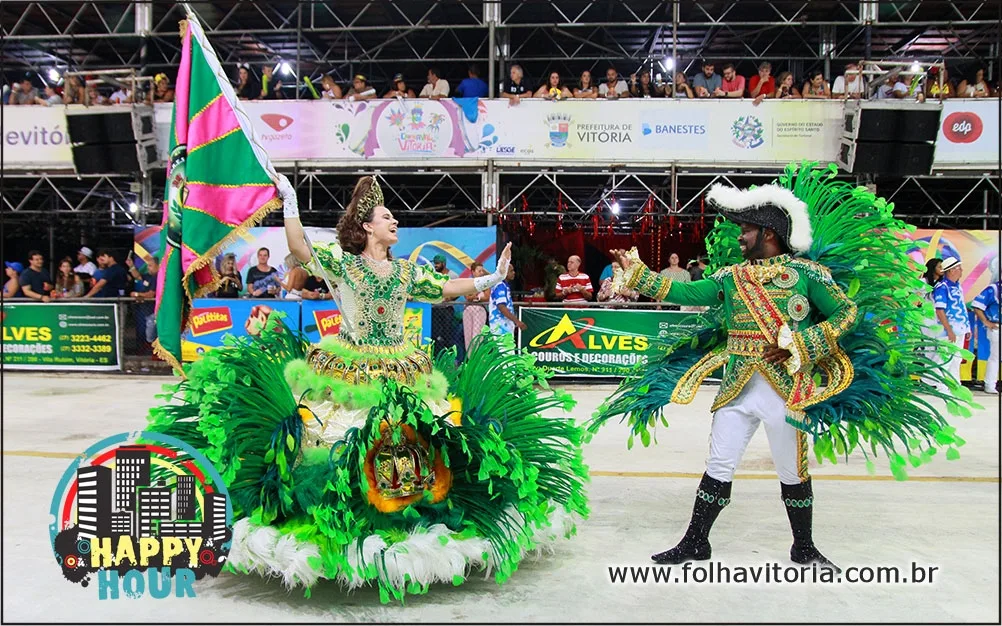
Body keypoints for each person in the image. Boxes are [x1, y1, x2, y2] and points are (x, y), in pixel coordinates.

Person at [147, 174, 589, 602]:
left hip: (402, 368)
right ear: (366, 227)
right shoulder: (344, 264)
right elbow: (300, 249)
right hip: (352, 371)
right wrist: (290, 199)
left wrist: (494, 278)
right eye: (387, 216)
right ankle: (353, 528)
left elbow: (448, 288)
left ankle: (410, 519)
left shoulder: (404, 271)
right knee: (341, 444)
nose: (395, 222)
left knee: (420, 444)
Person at [591, 162, 972, 573]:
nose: (739, 236)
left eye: (745, 230)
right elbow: (684, 289)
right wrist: (638, 276)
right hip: (737, 386)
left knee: (793, 471)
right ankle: (696, 542)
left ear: (768, 235)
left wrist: (803, 343)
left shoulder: (807, 274)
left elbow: (846, 314)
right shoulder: (732, 277)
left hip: (789, 389)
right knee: (718, 465)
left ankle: (803, 547)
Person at [932, 257, 970, 391]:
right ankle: (941, 386)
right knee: (944, 357)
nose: (961, 271)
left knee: (957, 358)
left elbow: (962, 307)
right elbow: (940, 310)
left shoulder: (958, 286)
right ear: (951, 270)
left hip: (960, 328)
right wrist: (948, 330)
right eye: (959, 268)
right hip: (947, 330)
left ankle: (955, 385)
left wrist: (967, 327)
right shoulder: (942, 287)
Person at [971, 266, 1000, 394]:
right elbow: (977, 305)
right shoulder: (993, 289)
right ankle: (990, 384)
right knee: (995, 356)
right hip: (997, 326)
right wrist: (986, 322)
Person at [128, 255, 159, 353]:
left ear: (158, 266)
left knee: (151, 335)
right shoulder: (148, 277)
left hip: (154, 311)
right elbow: (138, 276)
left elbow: (151, 294)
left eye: (150, 265)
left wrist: (137, 294)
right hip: (145, 310)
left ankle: (154, 352)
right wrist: (131, 266)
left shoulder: (157, 278)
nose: (148, 268)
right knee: (147, 333)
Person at [489, 262, 525, 335]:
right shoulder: (500, 286)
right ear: (504, 272)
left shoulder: (505, 285)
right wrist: (517, 321)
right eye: (511, 271)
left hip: (505, 326)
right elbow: (501, 306)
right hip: (500, 327)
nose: (514, 273)